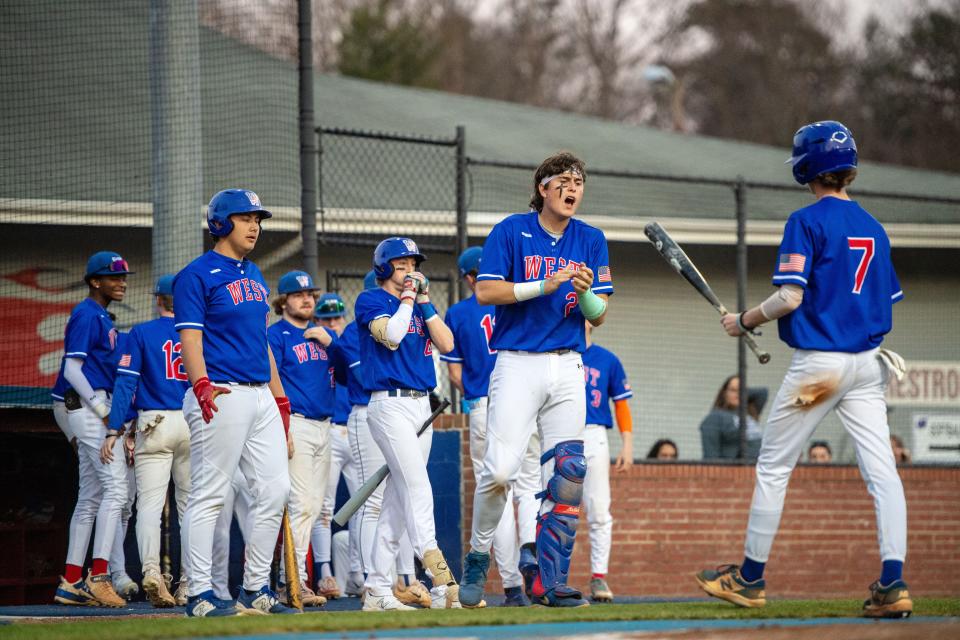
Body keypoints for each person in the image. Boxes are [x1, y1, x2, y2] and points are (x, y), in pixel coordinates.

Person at [695, 121, 912, 619]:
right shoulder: (875, 228)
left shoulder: (805, 221)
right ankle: (893, 581)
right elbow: (884, 300)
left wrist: (744, 320)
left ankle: (749, 578)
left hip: (819, 368)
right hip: (866, 366)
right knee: (883, 473)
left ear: (807, 165)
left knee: (773, 467)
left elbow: (790, 296)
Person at [461, 151, 614, 608]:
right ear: (543, 188)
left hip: (568, 363)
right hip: (517, 363)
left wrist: (584, 294)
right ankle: (476, 556)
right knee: (500, 472)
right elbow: (486, 291)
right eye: (564, 180)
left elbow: (600, 315)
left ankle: (550, 580)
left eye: (580, 181)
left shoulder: (590, 238)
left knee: (568, 476)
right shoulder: (512, 230)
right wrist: (545, 286)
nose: (573, 187)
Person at [174, 188, 297, 617]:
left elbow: (262, 343)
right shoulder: (195, 275)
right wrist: (201, 383)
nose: (254, 226)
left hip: (261, 393)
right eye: (245, 218)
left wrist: (281, 404)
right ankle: (199, 595)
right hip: (220, 392)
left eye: (258, 220)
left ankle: (255, 588)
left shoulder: (255, 274)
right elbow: (190, 337)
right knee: (209, 495)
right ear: (221, 223)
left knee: (277, 488)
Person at [354, 237, 460, 611]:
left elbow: (447, 343)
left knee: (397, 506)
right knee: (416, 486)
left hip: (421, 406)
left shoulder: (419, 306)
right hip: (389, 405)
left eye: (413, 264)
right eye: (401, 265)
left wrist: (426, 302)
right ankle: (440, 576)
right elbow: (393, 337)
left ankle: (378, 592)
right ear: (384, 268)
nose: (409, 271)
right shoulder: (371, 300)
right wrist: (410, 299)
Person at [440, 247, 526, 607]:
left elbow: (455, 372)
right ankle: (538, 578)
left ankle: (513, 586)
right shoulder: (514, 301)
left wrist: (478, 393)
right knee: (529, 491)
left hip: (482, 405)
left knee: (496, 496)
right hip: (523, 402)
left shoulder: (459, 313)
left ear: (469, 277)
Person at [52, 251, 134, 608]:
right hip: (84, 405)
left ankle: (71, 580)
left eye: (122, 276)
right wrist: (103, 412)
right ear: (94, 281)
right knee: (115, 490)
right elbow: (72, 370)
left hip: (87, 405)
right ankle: (98, 575)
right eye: (112, 277)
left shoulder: (101, 315)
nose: (121, 282)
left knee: (91, 496)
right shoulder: (86, 313)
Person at [106, 274, 191, 607]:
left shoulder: (141, 332)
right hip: (192, 423)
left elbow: (125, 386)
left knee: (150, 509)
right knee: (191, 510)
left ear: (159, 300)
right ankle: (189, 582)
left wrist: (115, 428)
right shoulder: (199, 333)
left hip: (153, 422)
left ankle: (153, 572)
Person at [268, 270, 337, 608]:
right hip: (295, 424)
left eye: (310, 293)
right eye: (298, 295)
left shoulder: (321, 335)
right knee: (300, 505)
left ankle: (297, 580)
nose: (307, 299)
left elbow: (352, 372)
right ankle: (290, 582)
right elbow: (269, 384)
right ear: (283, 301)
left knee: (314, 507)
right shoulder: (276, 335)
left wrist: (331, 342)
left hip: (325, 425)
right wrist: (281, 429)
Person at [580, 321, 633, 603]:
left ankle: (599, 576)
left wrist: (627, 444)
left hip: (594, 434)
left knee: (599, 510)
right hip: (556, 432)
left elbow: (621, 403)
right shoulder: (554, 354)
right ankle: (548, 578)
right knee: (552, 508)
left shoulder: (607, 359)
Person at [310, 291, 355, 601]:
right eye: (326, 319)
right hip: (328, 429)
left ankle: (364, 575)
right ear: (317, 321)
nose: (333, 323)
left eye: (337, 317)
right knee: (323, 507)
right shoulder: (312, 348)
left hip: (356, 429)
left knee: (365, 506)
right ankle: (325, 573)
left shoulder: (349, 341)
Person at [699, 376, 767, 461]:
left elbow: (764, 392)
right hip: (738, 471)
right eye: (733, 390)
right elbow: (710, 458)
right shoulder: (715, 417)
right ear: (724, 393)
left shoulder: (748, 413)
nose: (738, 394)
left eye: (742, 390)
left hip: (760, 469)